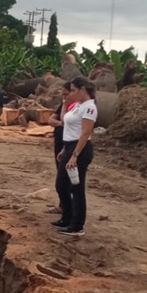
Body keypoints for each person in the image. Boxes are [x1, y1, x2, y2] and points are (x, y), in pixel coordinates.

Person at [52, 77, 98, 237]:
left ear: (82, 89)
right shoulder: (78, 106)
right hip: (69, 146)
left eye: (73, 90)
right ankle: (67, 218)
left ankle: (77, 225)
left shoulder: (90, 108)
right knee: (61, 185)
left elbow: (85, 133)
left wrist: (75, 155)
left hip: (80, 149)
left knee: (76, 188)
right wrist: (65, 149)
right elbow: (65, 122)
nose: (71, 93)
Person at [45, 81, 75, 215]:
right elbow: (50, 120)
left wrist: (60, 123)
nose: (64, 97)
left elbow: (63, 122)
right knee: (61, 176)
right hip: (60, 145)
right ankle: (63, 205)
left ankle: (68, 209)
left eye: (66, 94)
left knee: (66, 179)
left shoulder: (75, 107)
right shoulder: (63, 105)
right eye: (62, 95)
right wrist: (60, 124)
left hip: (69, 146)